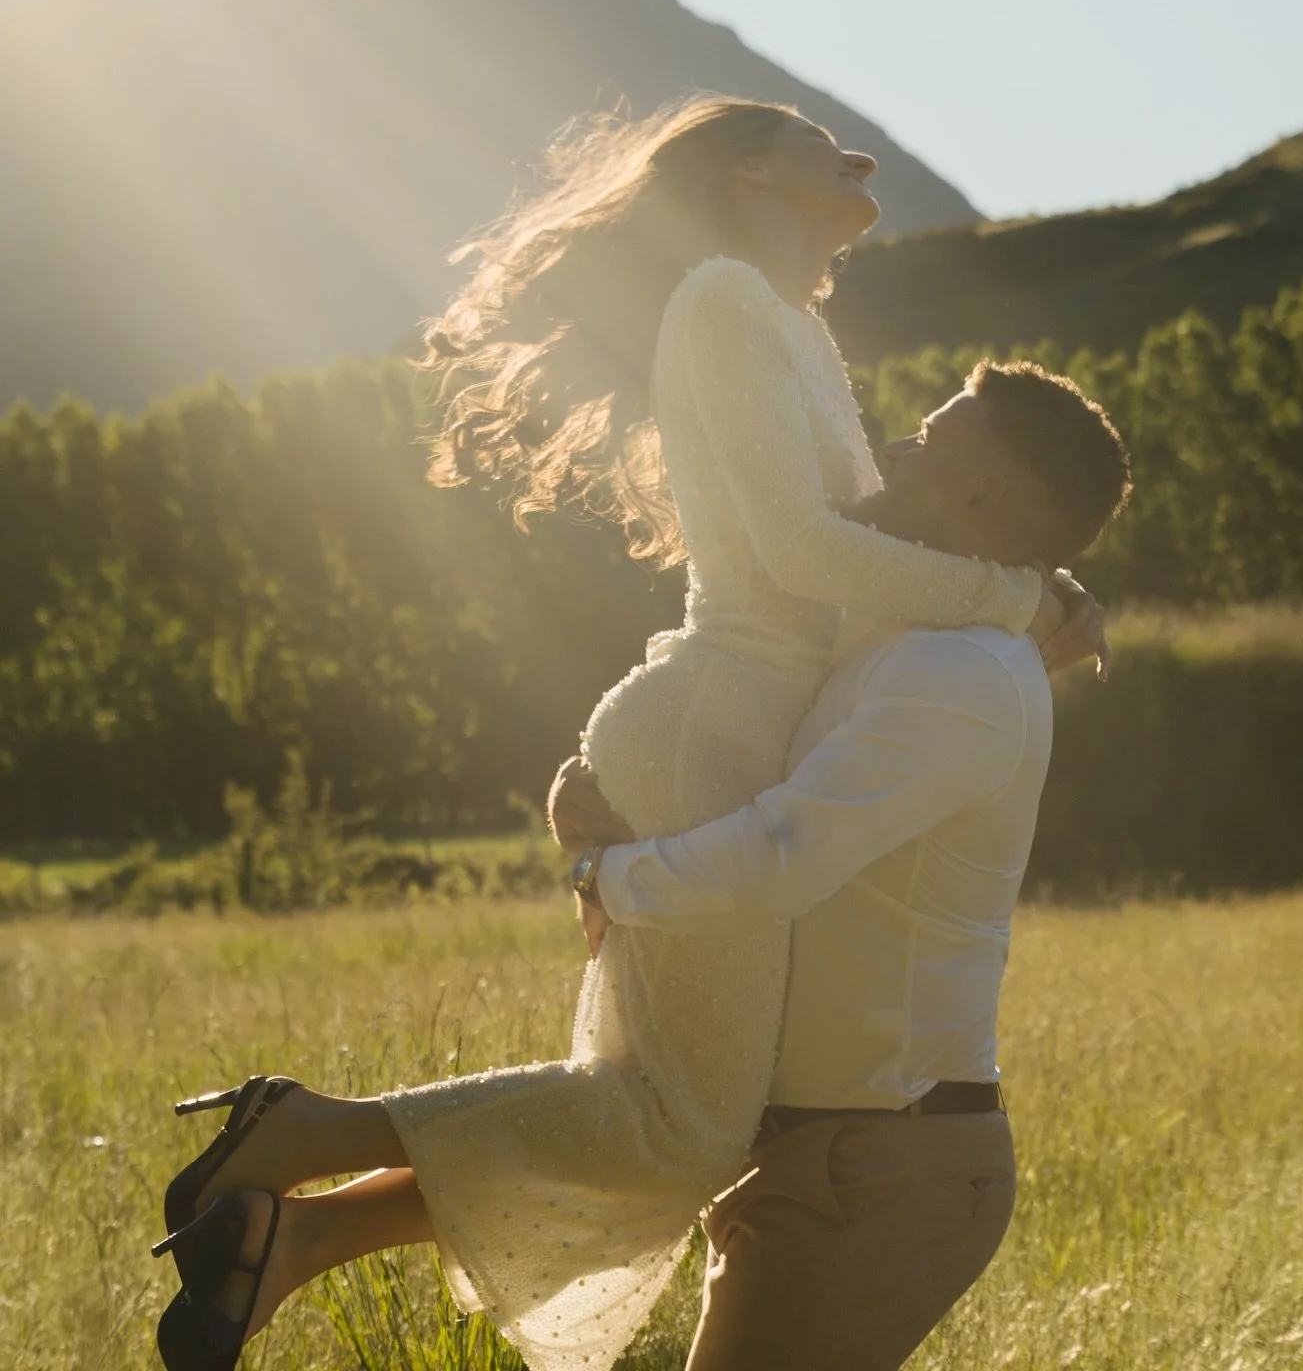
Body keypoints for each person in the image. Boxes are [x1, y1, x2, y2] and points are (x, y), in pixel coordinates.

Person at [150, 98, 1101, 1371]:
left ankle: (294, 1230)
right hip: (721, 722)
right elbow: (802, 551)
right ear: (752, 173)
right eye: (827, 146)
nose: (863, 159)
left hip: (743, 720)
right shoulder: (723, 299)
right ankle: (310, 1136)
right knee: (685, 1129)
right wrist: (1016, 597)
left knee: (676, 1118)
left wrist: (1042, 576)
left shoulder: (790, 322)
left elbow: (896, 529)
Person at [559, 360, 1133, 1370]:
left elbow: (782, 855)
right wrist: (1043, 589)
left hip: (882, 1162)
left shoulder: (960, 672)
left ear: (980, 494)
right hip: (827, 1148)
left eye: (928, 438)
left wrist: (607, 877)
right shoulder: (900, 632)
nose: (896, 451)